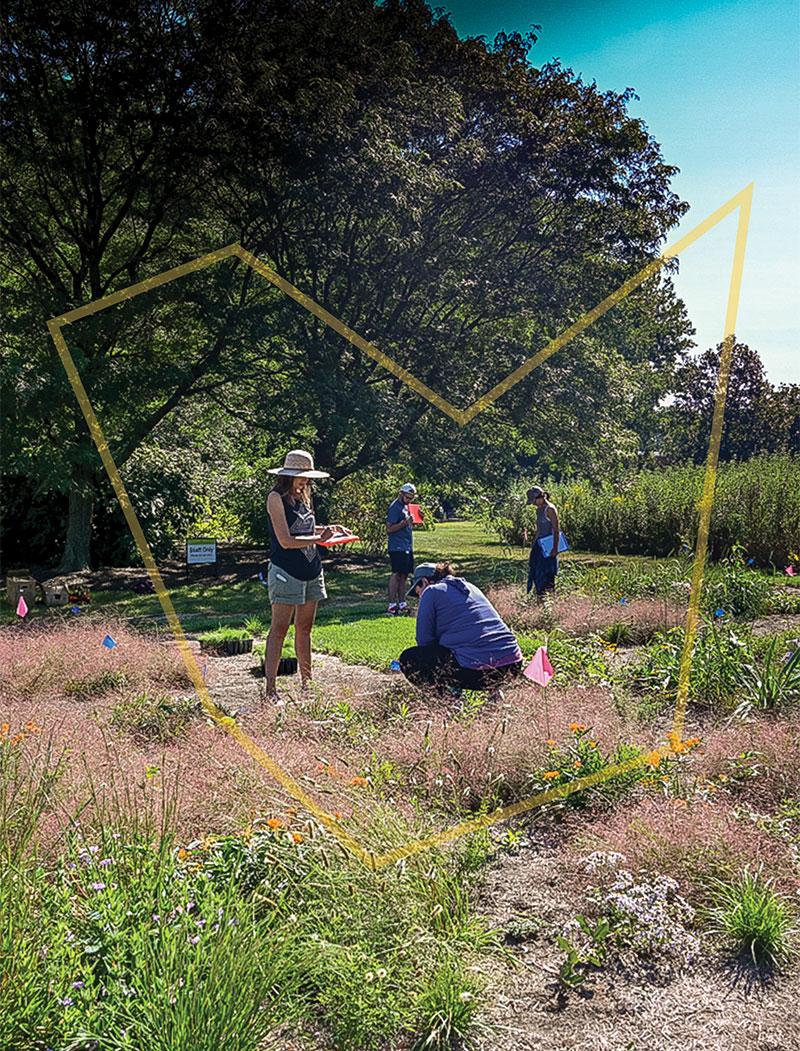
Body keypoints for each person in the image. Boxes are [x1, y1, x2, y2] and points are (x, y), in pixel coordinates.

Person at [263, 449, 350, 700]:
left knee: (305, 628)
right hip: (286, 571)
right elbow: (286, 540)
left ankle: (307, 684)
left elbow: (306, 528)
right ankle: (271, 688)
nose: (306, 482)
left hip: (311, 569)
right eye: (302, 477)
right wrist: (319, 539)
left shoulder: (304, 496)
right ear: (288, 476)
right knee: (279, 629)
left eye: (308, 477)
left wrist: (331, 529)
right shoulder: (275, 498)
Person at [399, 562, 523, 695]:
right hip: (513, 665)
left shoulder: (431, 591)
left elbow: (424, 641)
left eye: (418, 593)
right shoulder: (471, 587)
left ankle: (449, 701)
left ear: (424, 581)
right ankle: (496, 692)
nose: (420, 598)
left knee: (410, 659)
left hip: (478, 672)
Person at [386, 481, 419, 615]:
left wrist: (416, 518)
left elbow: (408, 523)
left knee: (404, 575)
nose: (409, 500)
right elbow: (389, 528)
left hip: (406, 545)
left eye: (411, 498)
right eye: (407, 497)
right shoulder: (395, 507)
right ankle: (392, 604)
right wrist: (405, 522)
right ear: (401, 494)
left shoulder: (407, 507)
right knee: (396, 574)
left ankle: (402, 602)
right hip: (397, 546)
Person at [525, 485, 561, 601]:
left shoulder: (550, 509)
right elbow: (539, 529)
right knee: (536, 573)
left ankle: (549, 599)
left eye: (534, 501)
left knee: (547, 574)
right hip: (539, 546)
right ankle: (539, 598)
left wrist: (555, 548)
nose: (534, 504)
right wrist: (533, 544)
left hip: (549, 547)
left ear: (540, 497)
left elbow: (556, 529)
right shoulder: (539, 510)